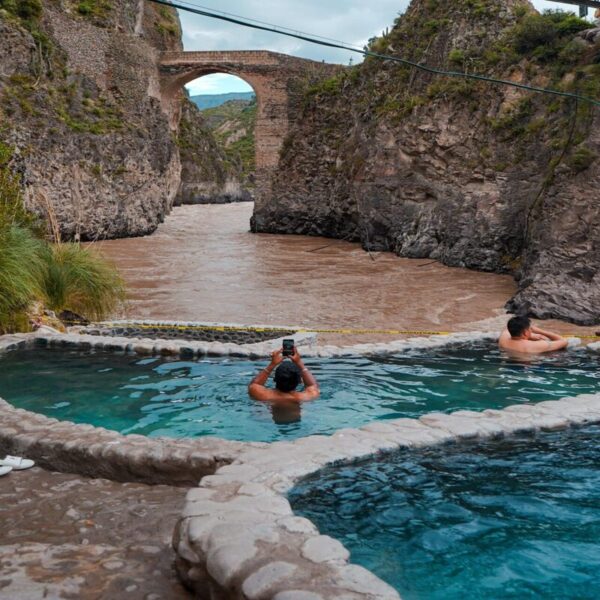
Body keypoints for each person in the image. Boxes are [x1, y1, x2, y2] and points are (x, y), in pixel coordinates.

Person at [248, 347, 320, 402]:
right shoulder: (308, 396)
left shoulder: (263, 395)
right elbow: (313, 385)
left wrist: (272, 364)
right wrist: (299, 363)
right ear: (300, 381)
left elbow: (255, 384)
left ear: (274, 379)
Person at [498, 315, 568, 354]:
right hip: (529, 366)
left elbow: (507, 329)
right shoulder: (536, 345)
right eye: (530, 329)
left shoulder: (503, 339)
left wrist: (531, 335)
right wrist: (540, 331)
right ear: (525, 332)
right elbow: (564, 342)